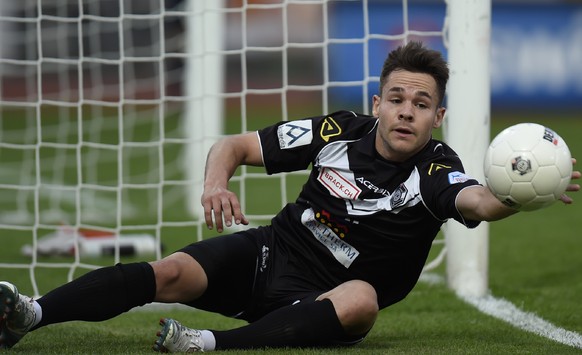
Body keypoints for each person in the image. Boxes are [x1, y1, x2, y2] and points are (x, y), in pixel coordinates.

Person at [1, 41, 580, 352]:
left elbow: (477, 202)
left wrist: (523, 191)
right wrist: (214, 183)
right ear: (377, 103)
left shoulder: (437, 168)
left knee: (363, 301)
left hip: (329, 300)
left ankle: (209, 345)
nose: (407, 110)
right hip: (271, 255)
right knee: (168, 271)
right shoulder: (339, 131)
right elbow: (235, 144)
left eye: (421, 103)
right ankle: (30, 315)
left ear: (438, 117)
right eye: (397, 97)